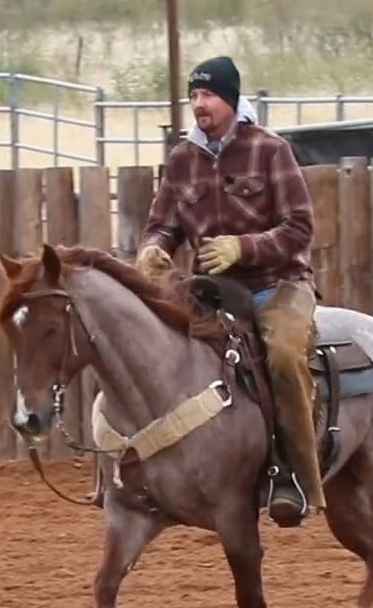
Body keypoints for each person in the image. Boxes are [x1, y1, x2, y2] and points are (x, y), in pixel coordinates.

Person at [133, 55, 326, 528]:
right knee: (149, 348)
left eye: (208, 96)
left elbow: (300, 228)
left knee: (281, 356)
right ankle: (147, 470)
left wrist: (244, 248)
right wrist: (152, 250)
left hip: (277, 285)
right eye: (194, 96)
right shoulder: (182, 160)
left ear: (231, 99)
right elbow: (162, 225)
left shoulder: (269, 150)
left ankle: (297, 477)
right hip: (210, 291)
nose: (199, 105)